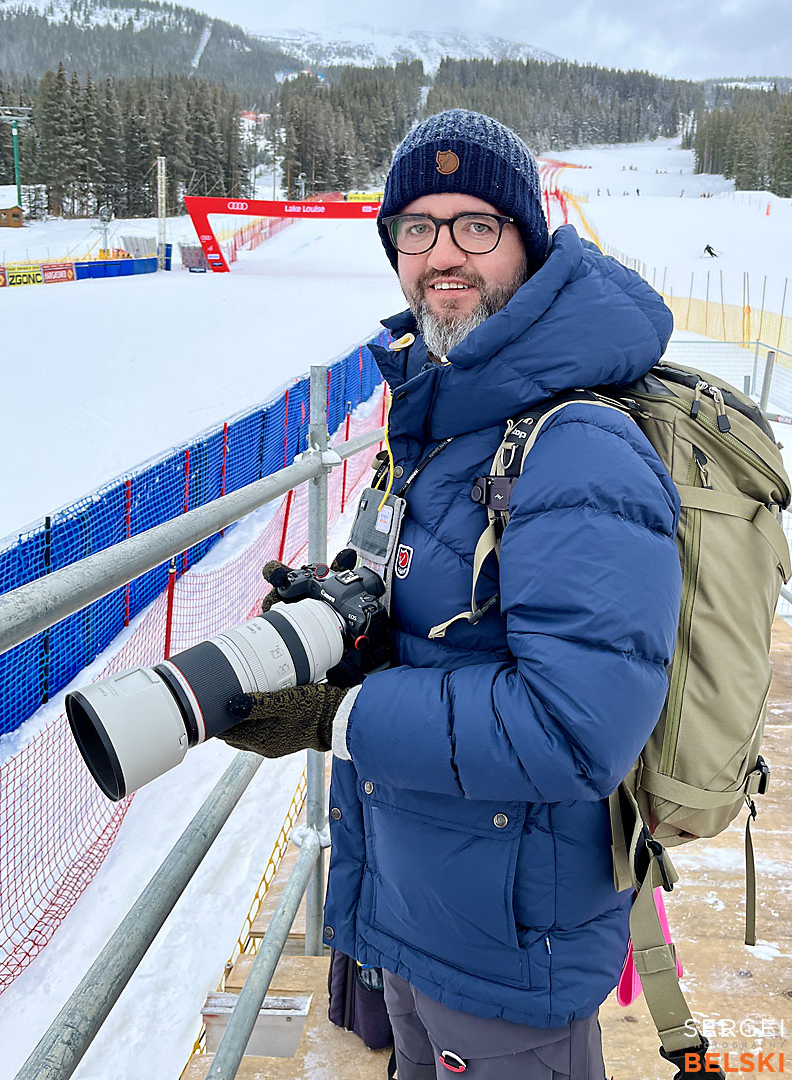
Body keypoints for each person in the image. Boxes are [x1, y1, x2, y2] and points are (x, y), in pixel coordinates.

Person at [218, 110, 682, 1079]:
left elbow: (572, 728)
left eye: (476, 225)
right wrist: (342, 624)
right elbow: (447, 626)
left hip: (511, 951)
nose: (442, 256)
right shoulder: (442, 412)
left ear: (529, 239)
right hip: (420, 912)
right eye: (417, 229)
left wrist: (337, 715)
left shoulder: (577, 447)